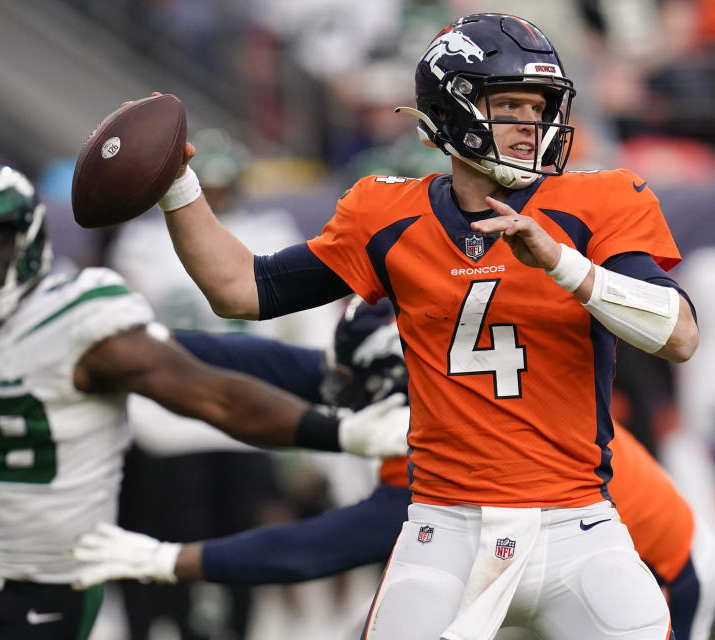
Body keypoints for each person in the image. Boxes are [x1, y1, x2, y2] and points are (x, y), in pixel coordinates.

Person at [149, 12, 699, 639]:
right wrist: (178, 187)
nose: (532, 124)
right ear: (455, 109)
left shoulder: (597, 203)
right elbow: (242, 289)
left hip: (579, 526)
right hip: (445, 530)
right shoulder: (386, 214)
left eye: (540, 105)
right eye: (510, 104)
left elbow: (678, 334)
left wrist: (564, 264)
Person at [0, 158, 407, 640]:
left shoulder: (82, 319)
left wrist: (336, 435)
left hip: (51, 583)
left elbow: (212, 396)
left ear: (29, 239)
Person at [72, 297, 715, 640]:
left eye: (364, 386)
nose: (343, 393)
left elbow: (308, 551)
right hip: (520, 565)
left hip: (646, 577)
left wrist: (165, 560)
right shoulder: (423, 381)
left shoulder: (463, 453)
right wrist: (148, 341)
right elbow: (277, 366)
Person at [106, 126, 345, 640]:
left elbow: (310, 334)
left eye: (217, 186)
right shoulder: (143, 240)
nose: (210, 197)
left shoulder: (267, 226)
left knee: (240, 560)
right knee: (167, 560)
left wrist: (306, 439)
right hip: (170, 427)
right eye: (202, 186)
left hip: (249, 425)